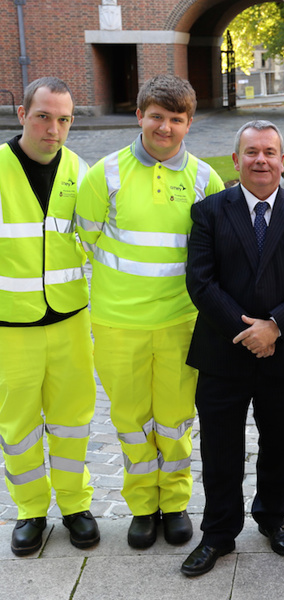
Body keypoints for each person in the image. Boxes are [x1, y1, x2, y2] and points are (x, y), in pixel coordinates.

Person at [76, 74, 224, 550]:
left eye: (175, 119)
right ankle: (143, 506)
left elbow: (217, 251)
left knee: (177, 420)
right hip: (118, 324)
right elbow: (87, 239)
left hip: (181, 322)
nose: (165, 127)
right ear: (140, 116)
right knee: (132, 420)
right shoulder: (106, 174)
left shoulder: (206, 178)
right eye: (156, 116)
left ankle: (175, 503)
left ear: (189, 124)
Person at [181, 120, 284, 576]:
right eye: (251, 152)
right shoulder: (208, 211)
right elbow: (200, 283)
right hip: (223, 351)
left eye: (269, 152)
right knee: (220, 447)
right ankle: (218, 532)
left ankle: (273, 519)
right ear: (236, 159)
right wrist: (250, 332)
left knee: (279, 443)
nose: (260, 160)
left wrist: (276, 326)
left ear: (282, 160)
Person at [0, 77, 100, 556]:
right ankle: (30, 511)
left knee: (72, 419)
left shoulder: (81, 172)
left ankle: (76, 505)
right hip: (9, 326)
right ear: (22, 115)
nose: (53, 129)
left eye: (63, 120)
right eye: (43, 116)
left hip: (69, 319)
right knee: (18, 426)